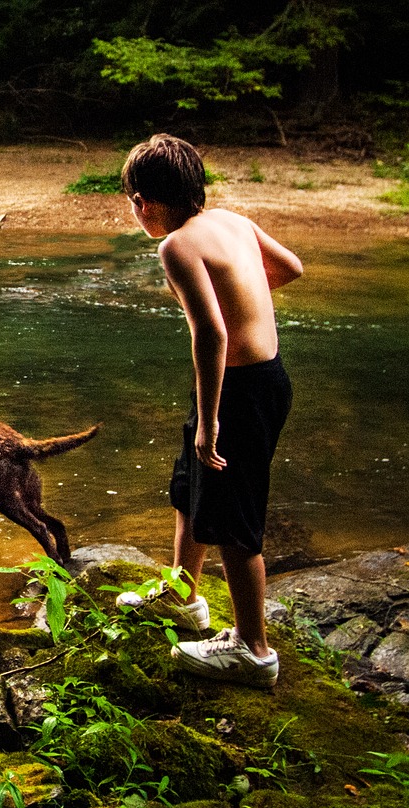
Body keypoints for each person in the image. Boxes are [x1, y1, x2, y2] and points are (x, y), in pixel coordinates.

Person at [114, 133, 303, 688]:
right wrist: (242, 288)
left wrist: (211, 420)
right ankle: (183, 594)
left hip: (239, 389)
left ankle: (253, 650)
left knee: (234, 517)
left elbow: (211, 337)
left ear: (143, 201)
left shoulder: (175, 247)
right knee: (189, 487)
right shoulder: (232, 221)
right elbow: (290, 267)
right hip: (267, 378)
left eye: (133, 201)